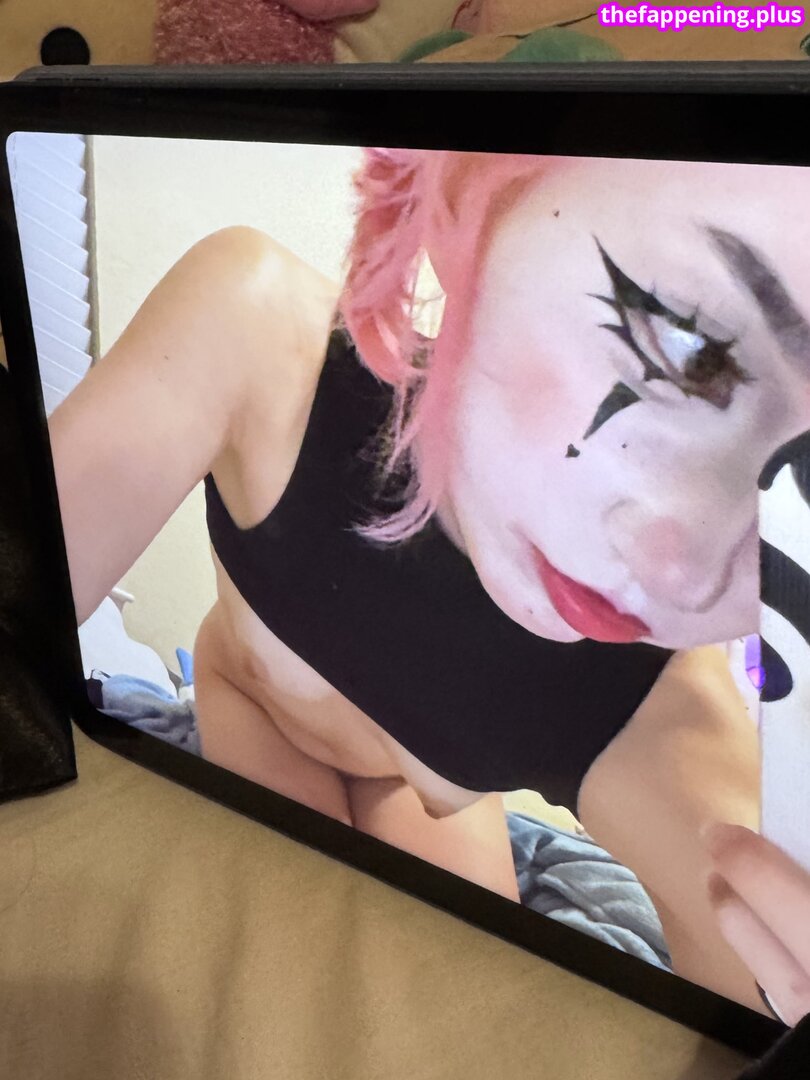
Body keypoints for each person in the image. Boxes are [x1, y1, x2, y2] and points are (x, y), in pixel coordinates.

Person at [49, 148, 810, 1018]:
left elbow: (753, 1002)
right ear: (464, 191)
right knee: (276, 981)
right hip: (254, 702)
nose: (680, 569)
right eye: (690, 348)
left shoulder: (658, 708)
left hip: (427, 798)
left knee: (445, 1018)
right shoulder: (265, 340)